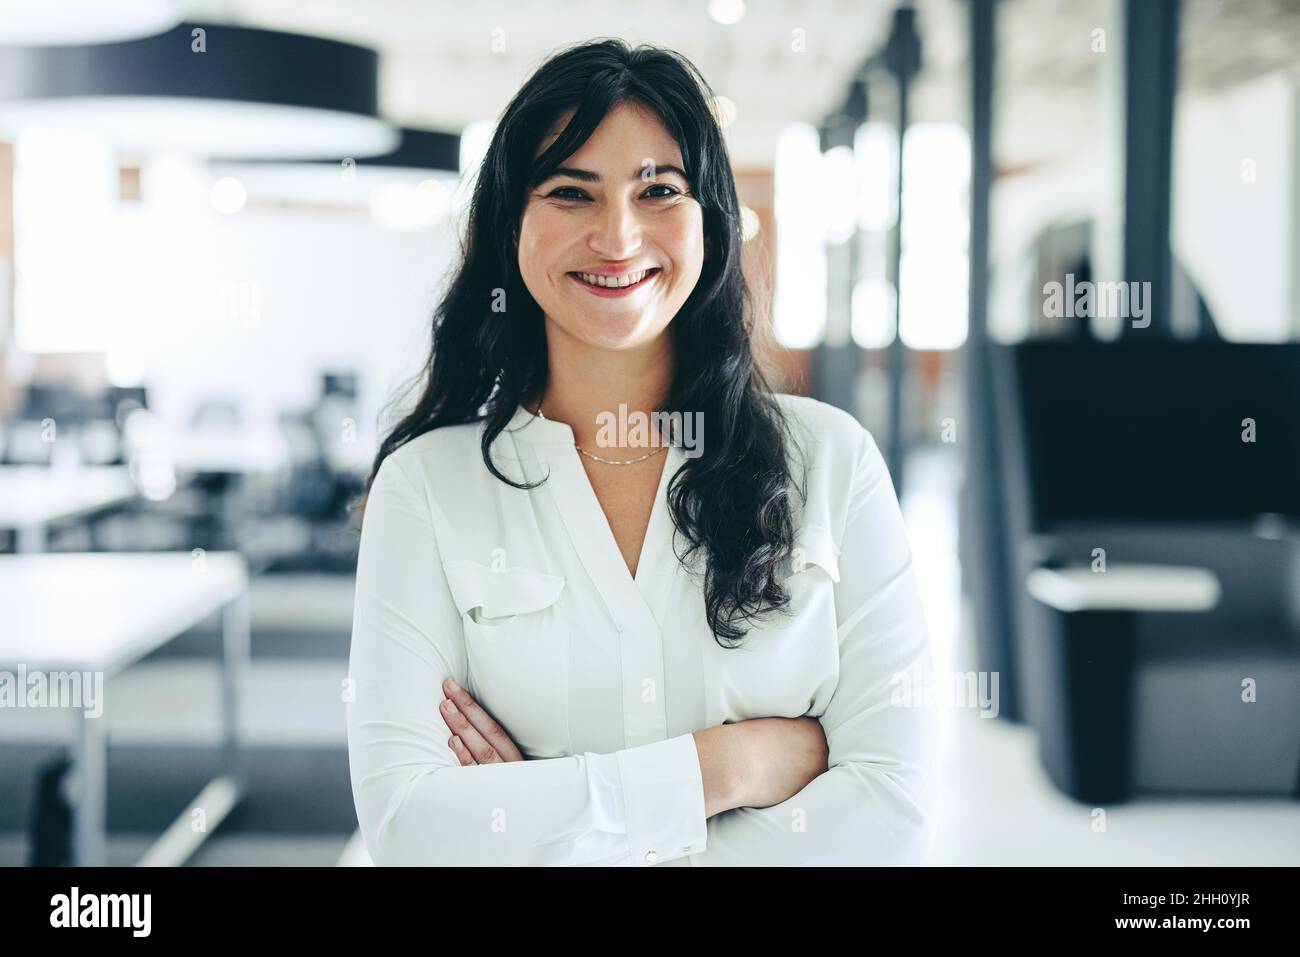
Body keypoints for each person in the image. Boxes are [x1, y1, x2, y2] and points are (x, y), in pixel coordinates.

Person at [346, 38, 940, 866]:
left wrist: (550, 820)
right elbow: (411, 829)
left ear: (710, 222)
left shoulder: (832, 461)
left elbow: (894, 811)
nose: (618, 237)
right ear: (511, 226)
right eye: (570, 192)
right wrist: (731, 764)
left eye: (658, 189)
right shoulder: (426, 489)